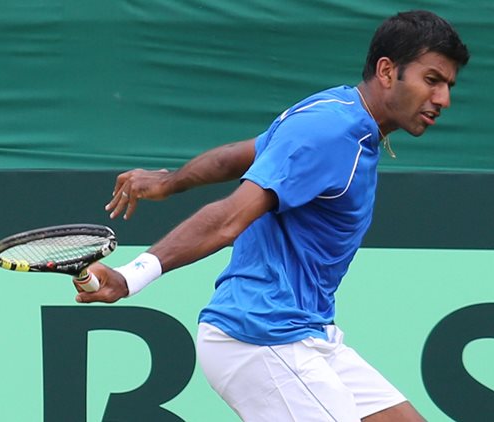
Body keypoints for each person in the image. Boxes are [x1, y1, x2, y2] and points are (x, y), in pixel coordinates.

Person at [76, 10, 470, 422]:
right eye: (432, 80)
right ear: (388, 71)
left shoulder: (339, 112)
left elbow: (243, 154)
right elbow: (231, 218)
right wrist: (132, 275)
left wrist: (171, 182)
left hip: (306, 332)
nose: (443, 99)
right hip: (261, 338)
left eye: (448, 85)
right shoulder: (329, 132)